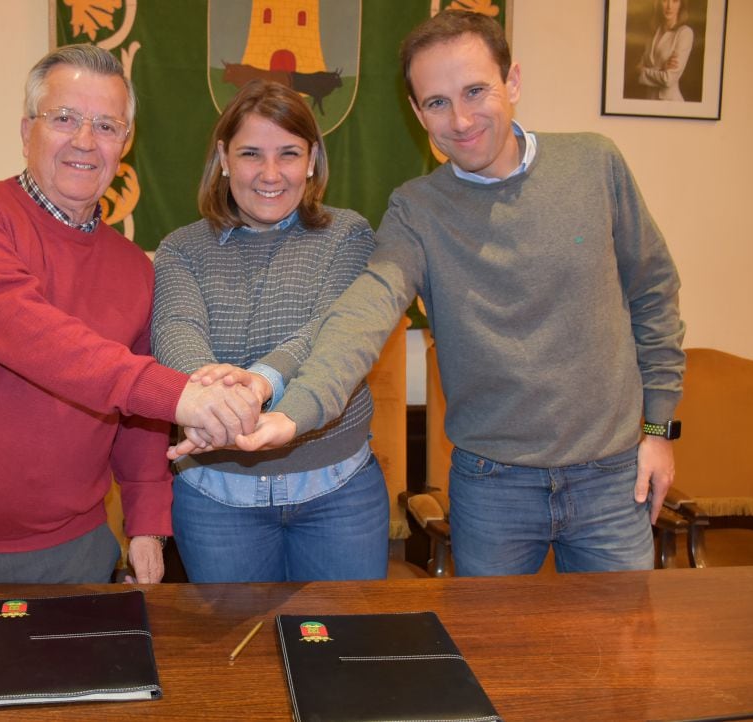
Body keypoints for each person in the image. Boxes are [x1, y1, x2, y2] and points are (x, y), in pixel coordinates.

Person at [215, 10, 686, 577]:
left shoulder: (594, 163)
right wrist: (292, 415)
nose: (460, 119)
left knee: (622, 659)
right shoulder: (416, 209)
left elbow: (654, 293)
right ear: (417, 113)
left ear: (512, 82)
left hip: (612, 481)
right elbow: (363, 314)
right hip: (492, 490)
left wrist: (659, 430)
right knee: (490, 659)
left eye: (475, 90)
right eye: (437, 102)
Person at [0, 45, 260, 585]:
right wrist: (183, 395)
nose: (84, 140)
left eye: (106, 125)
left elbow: (137, 420)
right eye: (64, 119)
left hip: (71, 553)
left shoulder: (135, 269)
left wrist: (147, 521)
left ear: (125, 144)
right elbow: (28, 333)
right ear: (27, 128)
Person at [151, 80, 390, 582]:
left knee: (344, 650)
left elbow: (326, 334)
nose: (270, 173)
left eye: (288, 153)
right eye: (250, 154)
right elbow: (176, 331)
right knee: (235, 660)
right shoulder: (180, 248)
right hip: (216, 499)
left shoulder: (349, 234)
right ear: (223, 157)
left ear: (312, 159)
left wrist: (258, 382)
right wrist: (219, 397)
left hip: (337, 493)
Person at [635, 0, 694, 101]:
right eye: (665, 0)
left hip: (671, 104)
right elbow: (637, 70)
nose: (669, 6)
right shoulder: (652, 32)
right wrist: (661, 69)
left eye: (675, 1)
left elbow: (668, 79)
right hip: (648, 101)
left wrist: (642, 71)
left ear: (681, 5)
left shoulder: (685, 33)